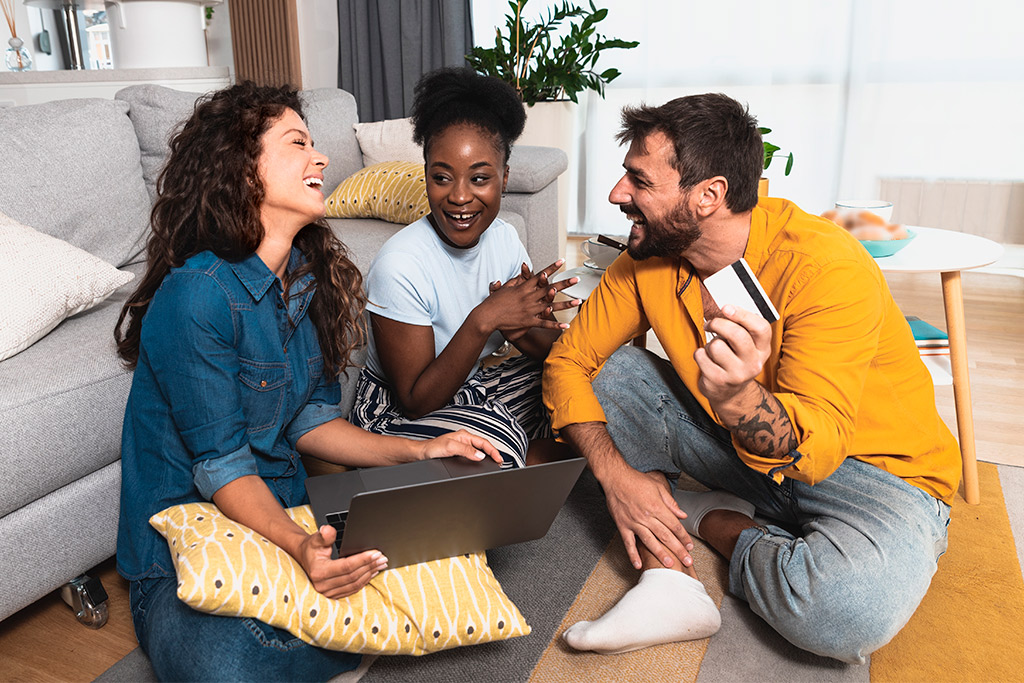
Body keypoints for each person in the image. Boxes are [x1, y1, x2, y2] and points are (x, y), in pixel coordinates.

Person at [542, 93, 960, 663]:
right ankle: (670, 583)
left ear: (709, 195)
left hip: (875, 476)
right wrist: (616, 475)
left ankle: (720, 524)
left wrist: (739, 398)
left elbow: (818, 453)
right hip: (736, 454)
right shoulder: (648, 255)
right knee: (611, 374)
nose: (618, 194)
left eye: (638, 181)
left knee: (846, 615)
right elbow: (569, 362)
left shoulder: (825, 267)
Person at [114, 82, 502, 682]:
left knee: (460, 546)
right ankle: (368, 626)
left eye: (316, 145)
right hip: (187, 548)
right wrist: (301, 552)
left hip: (289, 519)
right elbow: (222, 465)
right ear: (242, 172)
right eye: (299, 144)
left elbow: (308, 419)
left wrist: (423, 449)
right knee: (227, 667)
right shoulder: (196, 296)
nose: (320, 159)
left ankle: (351, 614)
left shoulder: (303, 279)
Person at [350, 67, 580, 468]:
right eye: (442, 177)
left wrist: (522, 325)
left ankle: (532, 454)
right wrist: (484, 319)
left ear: (503, 178)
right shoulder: (400, 265)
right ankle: (548, 459)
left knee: (582, 386)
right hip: (395, 414)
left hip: (471, 385)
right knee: (489, 447)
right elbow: (416, 400)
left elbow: (542, 349)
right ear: (425, 176)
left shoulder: (504, 238)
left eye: (479, 178)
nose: (459, 196)